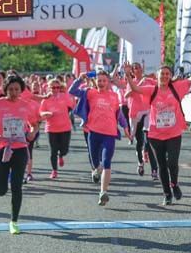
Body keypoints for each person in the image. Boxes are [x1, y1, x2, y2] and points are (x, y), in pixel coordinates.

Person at [127, 57, 191, 205]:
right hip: (155, 135)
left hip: (174, 133)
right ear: (157, 77)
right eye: (161, 74)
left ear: (170, 76)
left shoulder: (177, 87)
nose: (164, 76)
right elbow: (135, 89)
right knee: (161, 165)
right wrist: (128, 75)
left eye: (167, 74)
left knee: (172, 162)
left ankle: (174, 184)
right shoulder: (152, 89)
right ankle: (167, 194)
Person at [0, 75, 35, 234]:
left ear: (21, 90)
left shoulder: (26, 105)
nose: (13, 92)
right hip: (1, 148)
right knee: (0, 190)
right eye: (11, 89)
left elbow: (34, 123)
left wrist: (32, 132)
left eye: (16, 89)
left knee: (17, 186)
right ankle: (1, 182)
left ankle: (14, 221)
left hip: (19, 148)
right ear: (5, 90)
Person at [70, 70, 126, 205]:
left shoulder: (114, 96)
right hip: (94, 132)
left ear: (108, 82)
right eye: (99, 80)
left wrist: (126, 127)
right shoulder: (90, 92)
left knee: (107, 162)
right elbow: (72, 91)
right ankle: (96, 170)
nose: (101, 83)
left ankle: (103, 192)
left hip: (109, 134)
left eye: (104, 81)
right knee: (95, 162)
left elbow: (119, 114)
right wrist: (79, 79)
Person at [123, 63, 158, 180]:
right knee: (139, 141)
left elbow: (159, 87)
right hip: (135, 113)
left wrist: (157, 77)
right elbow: (127, 95)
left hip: (148, 111)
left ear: (142, 69)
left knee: (149, 141)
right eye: (134, 69)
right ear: (132, 72)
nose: (137, 70)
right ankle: (140, 163)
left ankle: (154, 170)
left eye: (138, 68)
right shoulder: (131, 82)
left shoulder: (148, 80)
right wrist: (138, 85)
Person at [39, 78, 74, 179]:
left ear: (60, 88)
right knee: (52, 151)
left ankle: (61, 155)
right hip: (51, 128)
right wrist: (45, 113)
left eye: (57, 87)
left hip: (65, 127)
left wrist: (66, 94)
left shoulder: (64, 96)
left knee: (65, 149)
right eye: (53, 87)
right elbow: (41, 112)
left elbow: (71, 105)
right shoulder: (45, 99)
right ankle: (54, 170)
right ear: (49, 88)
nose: (55, 89)